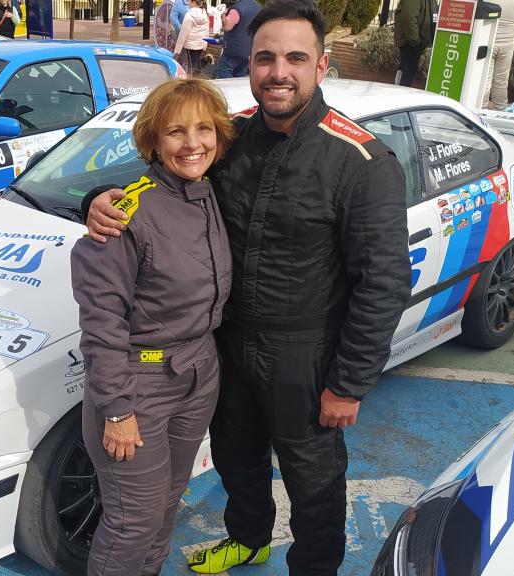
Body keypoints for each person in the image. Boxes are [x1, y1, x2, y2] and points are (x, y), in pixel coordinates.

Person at [85, 0, 412, 573]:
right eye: (265, 58)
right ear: (251, 63)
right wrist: (102, 199)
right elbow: (167, 173)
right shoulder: (231, 138)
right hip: (227, 345)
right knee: (238, 457)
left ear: (321, 65)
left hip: (305, 356)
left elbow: (383, 283)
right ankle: (248, 537)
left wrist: (349, 383)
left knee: (313, 480)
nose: (278, 71)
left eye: (295, 58)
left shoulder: (362, 161)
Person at [71, 78, 234, 576]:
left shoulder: (209, 192)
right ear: (154, 141)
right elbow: (101, 321)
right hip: (138, 388)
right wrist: (117, 409)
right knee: (131, 522)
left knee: (165, 506)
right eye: (176, 132)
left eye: (204, 129)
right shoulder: (127, 212)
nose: (192, 143)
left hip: (198, 374)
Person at [484, 0, 514, 110]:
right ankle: (499, 108)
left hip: (487, 38)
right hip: (508, 41)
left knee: (485, 79)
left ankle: (481, 108)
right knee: (502, 79)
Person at [393, 0, 434, 86]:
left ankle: (398, 92)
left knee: (405, 71)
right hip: (410, 42)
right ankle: (400, 95)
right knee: (407, 74)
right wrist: (416, 41)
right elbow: (408, 18)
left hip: (414, 42)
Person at [215, 0, 259, 78]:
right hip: (250, 50)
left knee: (223, 74)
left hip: (233, 50)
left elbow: (227, 26)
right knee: (240, 77)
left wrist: (223, 15)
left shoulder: (237, 9)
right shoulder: (257, 6)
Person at [174, 0, 210, 76]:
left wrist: (177, 49)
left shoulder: (189, 15)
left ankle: (192, 80)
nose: (188, 3)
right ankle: (204, 63)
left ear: (193, 2)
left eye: (189, 1)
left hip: (191, 45)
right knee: (195, 62)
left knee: (191, 66)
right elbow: (206, 31)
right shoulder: (204, 13)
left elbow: (183, 33)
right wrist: (205, 44)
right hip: (200, 43)